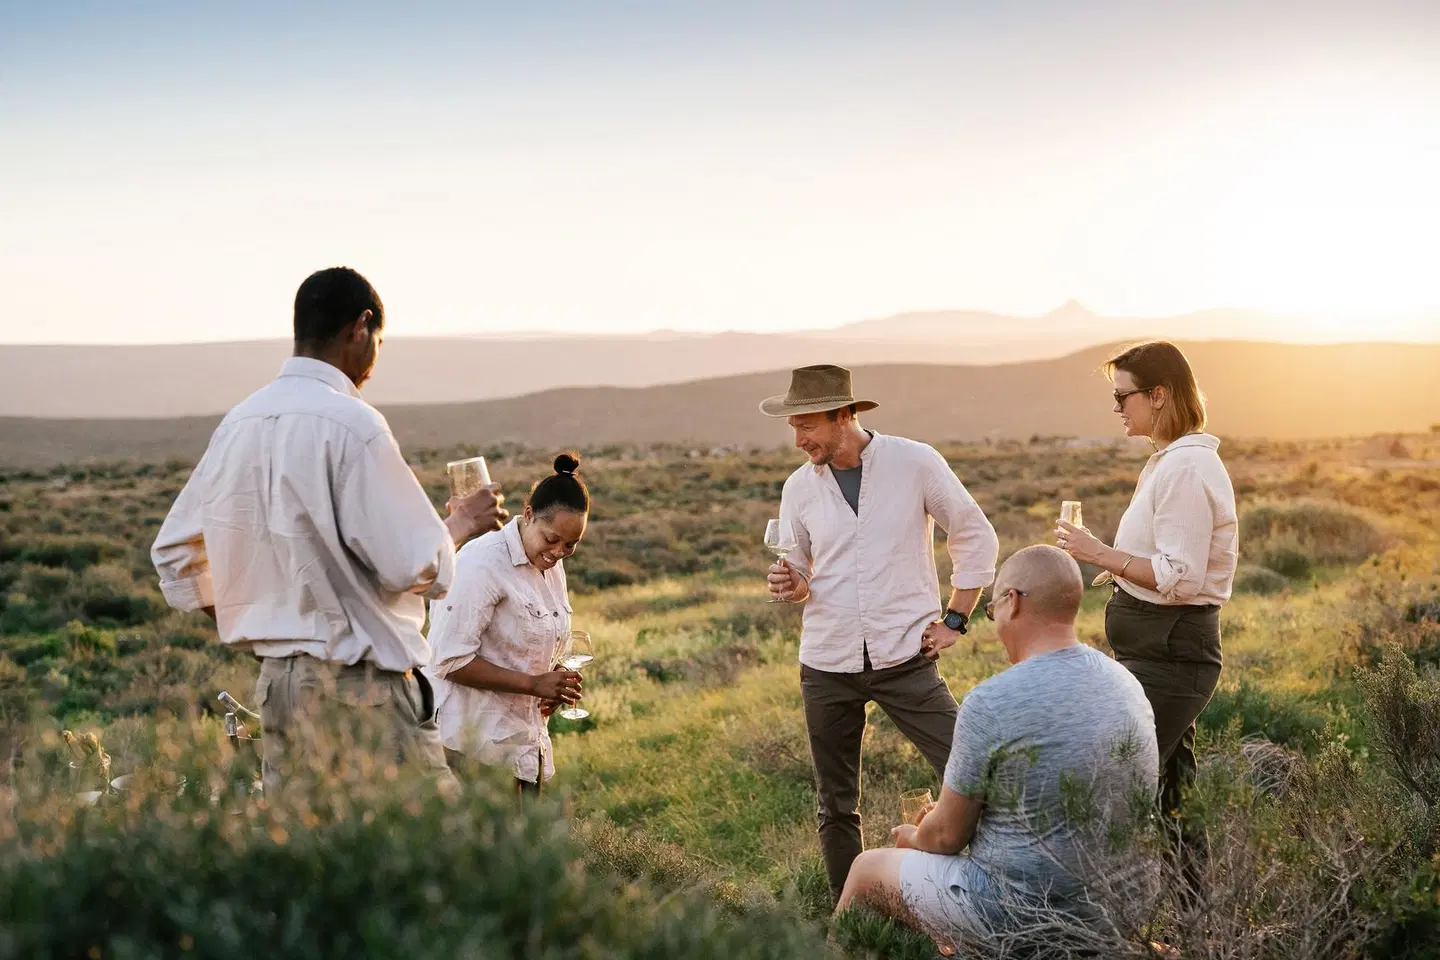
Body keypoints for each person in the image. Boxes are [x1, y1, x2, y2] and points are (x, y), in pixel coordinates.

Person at [151, 267, 508, 793]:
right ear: (360, 327)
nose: (375, 359)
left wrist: (272, 629)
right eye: (379, 340)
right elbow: (415, 565)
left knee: (312, 841)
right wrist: (461, 522)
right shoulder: (352, 424)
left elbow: (175, 556)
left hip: (279, 688)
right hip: (362, 691)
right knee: (428, 839)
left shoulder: (239, 424)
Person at [835, 546, 1159, 949]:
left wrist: (914, 837)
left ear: (1012, 601)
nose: (994, 622)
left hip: (1025, 914)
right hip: (1125, 908)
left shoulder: (992, 702)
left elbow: (946, 838)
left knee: (867, 869)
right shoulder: (1126, 683)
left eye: (991, 610)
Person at [760, 364, 1000, 905]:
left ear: (843, 415)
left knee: (969, 772)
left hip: (905, 656)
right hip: (826, 663)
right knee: (836, 802)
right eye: (793, 428)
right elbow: (800, 573)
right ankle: (851, 918)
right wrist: (791, 583)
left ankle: (985, 894)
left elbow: (973, 533)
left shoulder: (915, 462)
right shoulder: (798, 487)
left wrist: (956, 617)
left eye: (807, 426)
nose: (799, 441)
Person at [1055, 340, 1237, 827]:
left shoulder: (1185, 467)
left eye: (1122, 396)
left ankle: (1101, 876)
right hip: (1158, 650)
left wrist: (1099, 553)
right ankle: (1189, 881)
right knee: (1174, 797)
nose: (1116, 408)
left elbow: (1180, 576)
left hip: (1171, 654)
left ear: (1158, 395)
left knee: (1113, 781)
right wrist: (1113, 565)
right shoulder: (1171, 461)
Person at [425, 454, 591, 795]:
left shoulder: (549, 564)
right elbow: (447, 659)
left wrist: (555, 678)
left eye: (570, 545)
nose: (559, 552)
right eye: (551, 539)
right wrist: (533, 684)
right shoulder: (480, 564)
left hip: (525, 744)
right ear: (528, 515)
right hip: (472, 748)